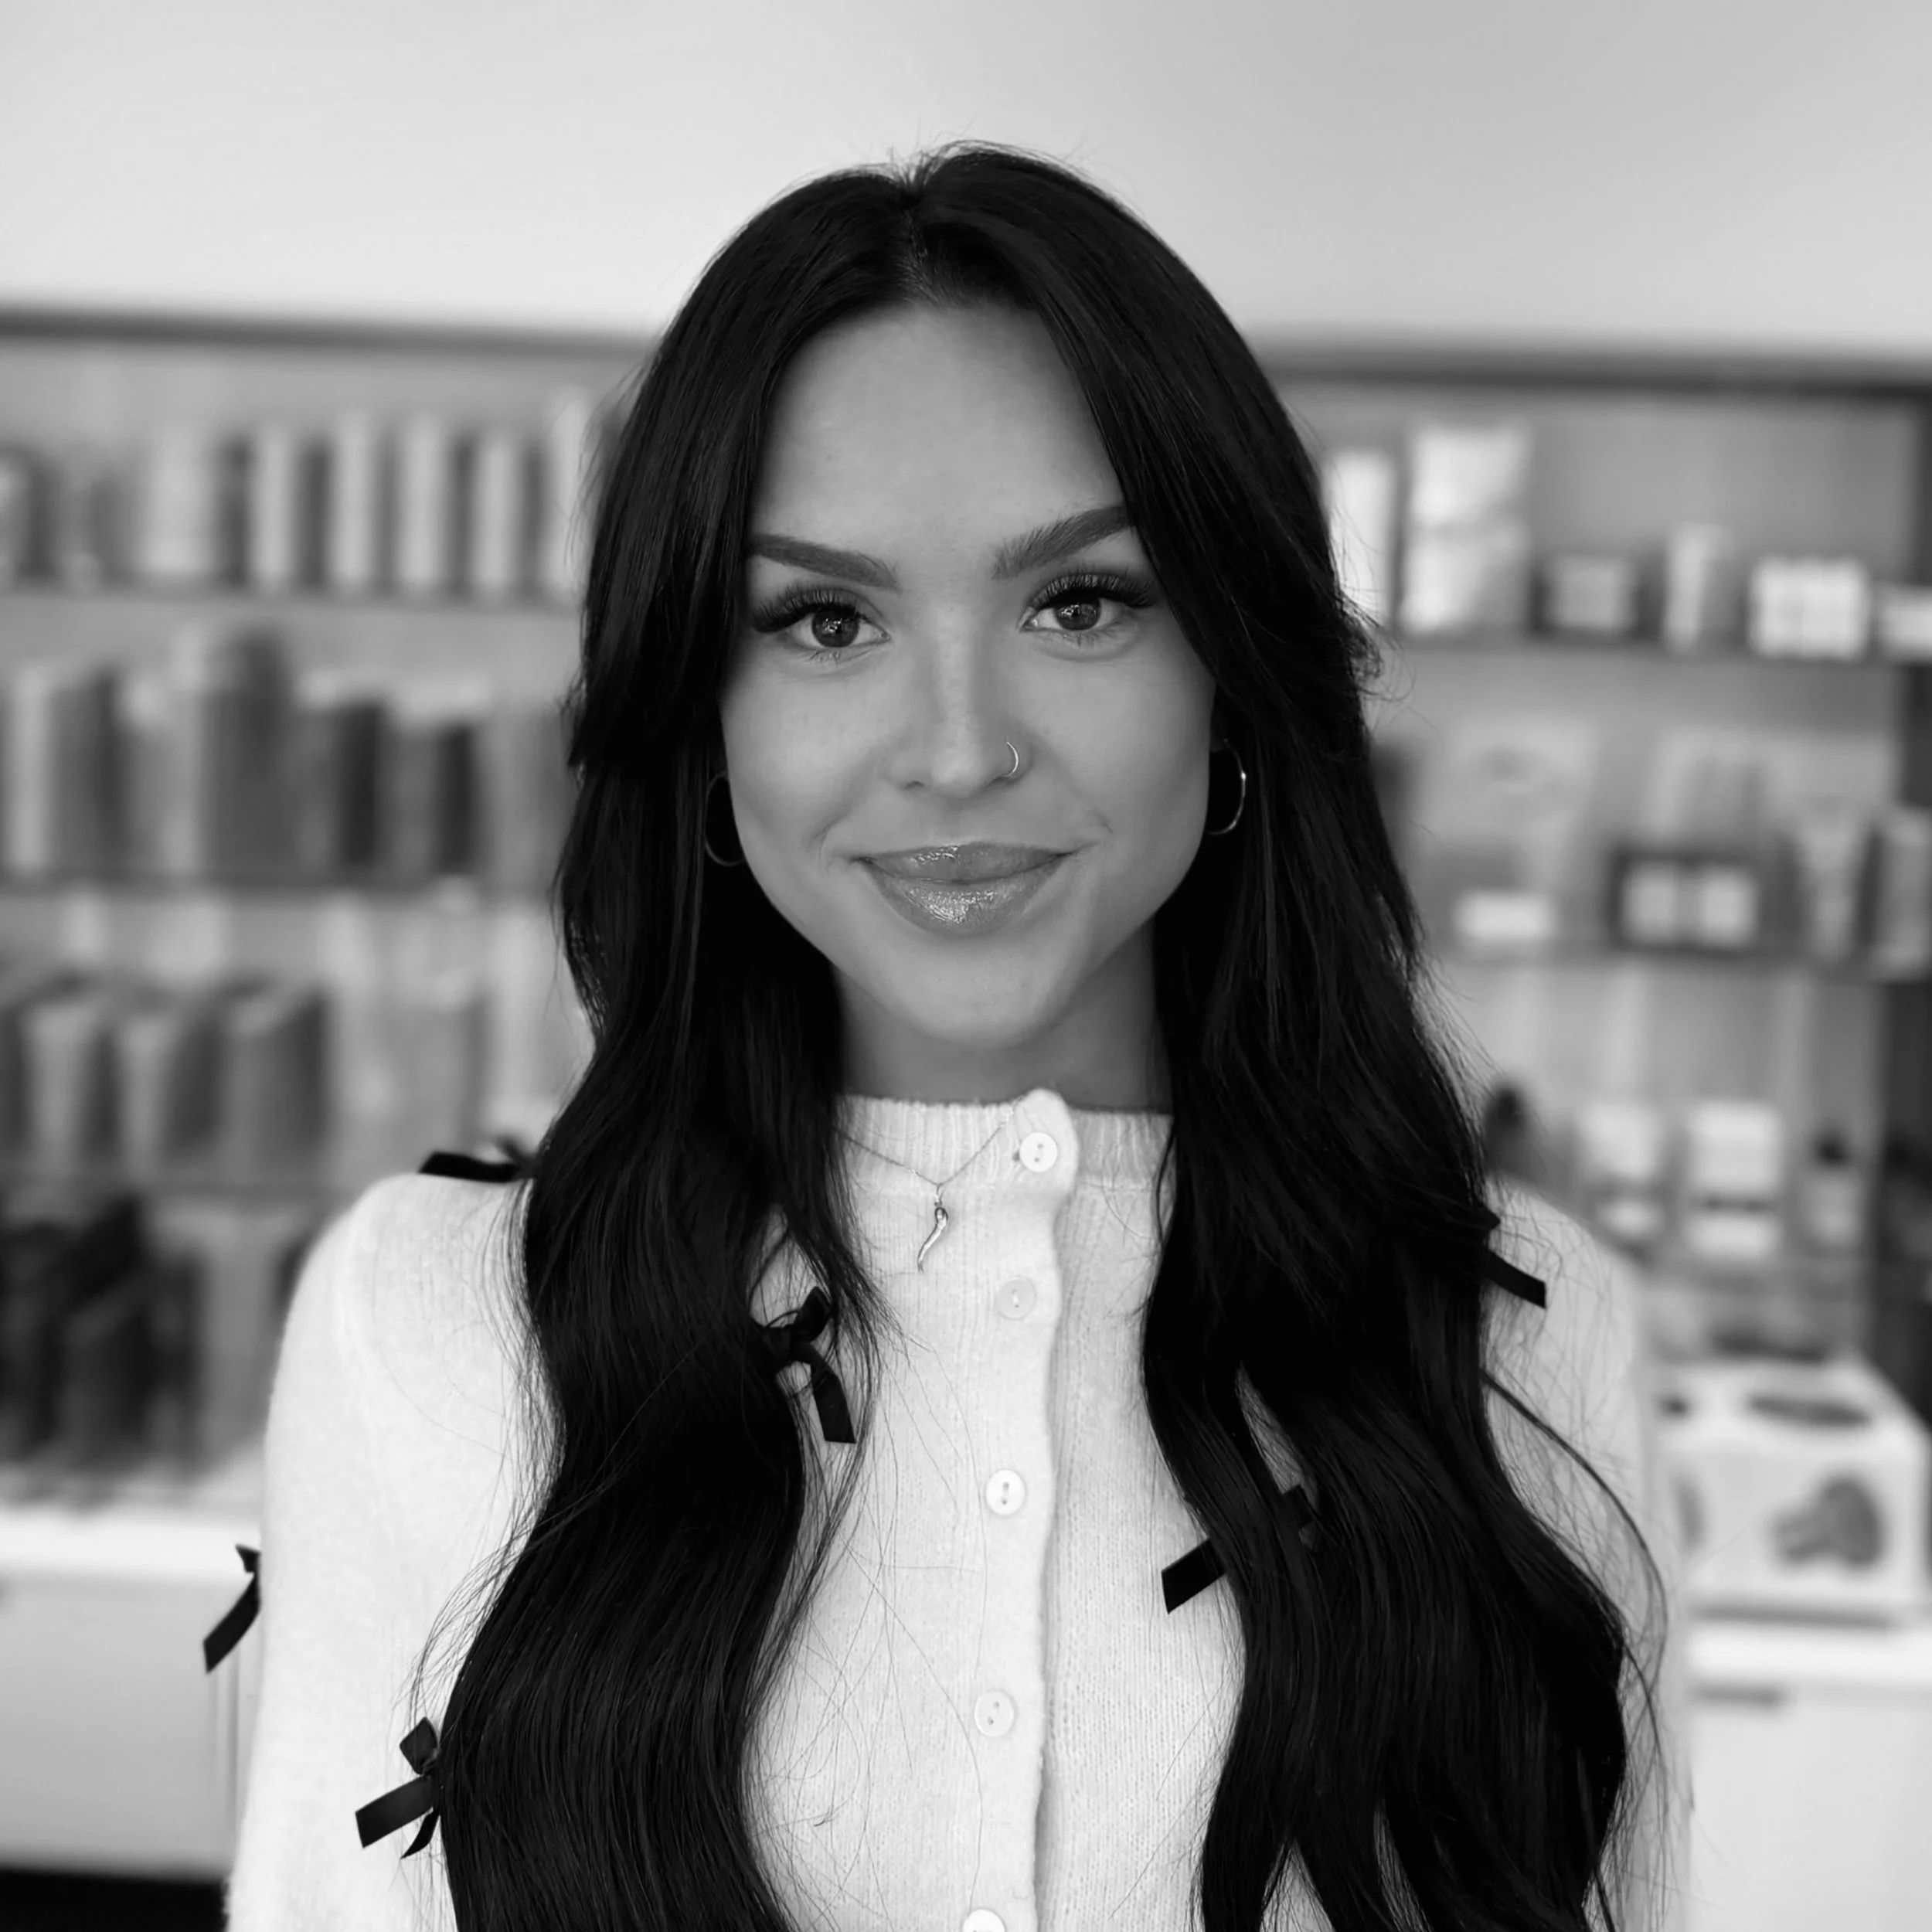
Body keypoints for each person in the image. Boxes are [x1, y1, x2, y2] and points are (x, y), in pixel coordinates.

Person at [220, 140, 1688, 1932]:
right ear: (704, 714)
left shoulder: (1518, 1333)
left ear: (1231, 665)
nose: (956, 746)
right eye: (823, 619)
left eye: (1078, 603)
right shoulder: (427, 1315)